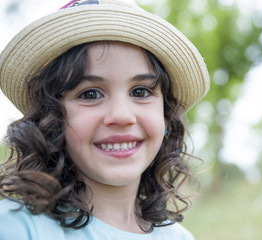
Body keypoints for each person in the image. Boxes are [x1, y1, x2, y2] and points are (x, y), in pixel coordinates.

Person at [0, 0, 209, 239]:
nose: (121, 116)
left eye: (140, 92)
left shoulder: (179, 237)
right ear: (51, 119)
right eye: (90, 94)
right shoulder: (16, 228)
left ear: (166, 116)